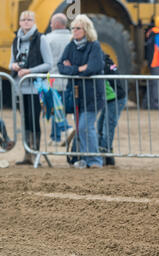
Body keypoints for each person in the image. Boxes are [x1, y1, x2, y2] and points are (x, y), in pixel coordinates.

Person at [58, 14, 105, 169]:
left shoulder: (94, 46)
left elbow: (93, 67)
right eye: (73, 28)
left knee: (86, 127)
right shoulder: (71, 46)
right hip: (77, 95)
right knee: (80, 128)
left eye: (78, 28)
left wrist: (73, 68)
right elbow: (61, 66)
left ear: (86, 30)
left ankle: (95, 160)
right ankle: (84, 159)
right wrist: (79, 69)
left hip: (93, 95)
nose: (75, 31)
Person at [9, 10, 53, 165]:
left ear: (34, 22)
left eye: (29, 19)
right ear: (20, 22)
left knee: (34, 119)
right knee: (25, 120)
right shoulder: (16, 40)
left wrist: (29, 71)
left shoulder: (41, 39)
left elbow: (49, 64)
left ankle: (35, 153)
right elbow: (10, 63)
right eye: (23, 19)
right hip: (20, 88)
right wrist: (14, 66)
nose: (26, 22)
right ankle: (27, 154)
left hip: (36, 87)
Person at [46, 13, 75, 146]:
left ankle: (65, 128)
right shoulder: (72, 38)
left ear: (56, 24)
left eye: (51, 23)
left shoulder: (47, 39)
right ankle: (55, 136)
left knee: (54, 108)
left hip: (52, 79)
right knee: (59, 107)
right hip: (68, 79)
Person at [97, 54, 127, 166]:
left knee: (107, 127)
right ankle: (105, 153)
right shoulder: (105, 61)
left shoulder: (102, 64)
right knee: (101, 126)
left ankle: (107, 155)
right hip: (109, 99)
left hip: (116, 98)